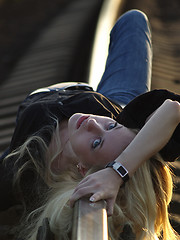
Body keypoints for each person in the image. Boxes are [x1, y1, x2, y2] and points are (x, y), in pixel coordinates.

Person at [0, 9, 180, 239]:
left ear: (82, 169)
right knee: (133, 20)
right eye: (110, 127)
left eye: (96, 143)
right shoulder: (112, 118)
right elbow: (173, 109)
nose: (93, 122)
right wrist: (117, 172)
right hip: (118, 101)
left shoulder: (22, 167)